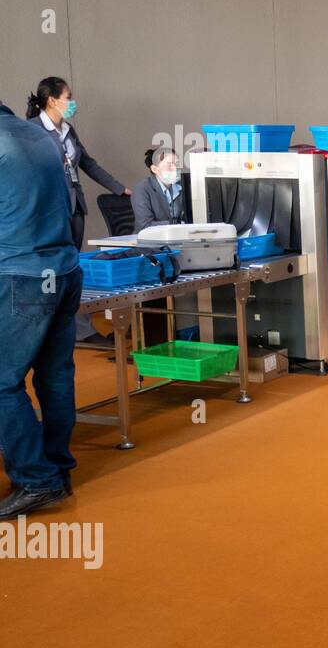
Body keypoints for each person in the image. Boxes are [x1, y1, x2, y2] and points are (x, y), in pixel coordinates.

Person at [0, 100, 82, 519]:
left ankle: (36, 480)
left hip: (23, 276)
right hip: (65, 270)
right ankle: (58, 470)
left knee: (2, 382)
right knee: (54, 377)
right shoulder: (37, 135)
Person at [28, 77, 129, 345]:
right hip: (49, 209)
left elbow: (89, 164)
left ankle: (79, 328)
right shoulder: (32, 130)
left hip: (75, 208)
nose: (72, 103)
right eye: (68, 97)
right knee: (52, 269)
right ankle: (53, 330)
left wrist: (120, 189)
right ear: (52, 100)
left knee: (73, 268)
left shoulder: (68, 130)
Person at [132, 148, 189, 231]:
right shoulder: (142, 189)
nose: (175, 169)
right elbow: (145, 225)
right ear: (154, 169)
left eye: (177, 164)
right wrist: (178, 225)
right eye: (169, 165)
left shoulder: (182, 186)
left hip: (178, 238)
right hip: (150, 240)